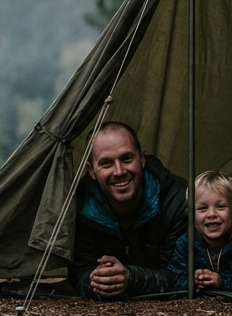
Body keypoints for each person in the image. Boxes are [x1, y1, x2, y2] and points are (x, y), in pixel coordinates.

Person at [69, 121, 188, 299]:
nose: (119, 171)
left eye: (126, 159)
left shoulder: (177, 200)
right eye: (106, 163)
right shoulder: (79, 206)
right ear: (91, 170)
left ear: (142, 159)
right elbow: (80, 270)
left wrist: (131, 278)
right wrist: (95, 281)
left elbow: (178, 275)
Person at [166, 170, 232, 294]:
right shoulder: (186, 243)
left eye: (220, 207)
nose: (212, 214)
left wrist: (221, 281)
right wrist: (193, 280)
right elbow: (172, 279)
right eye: (203, 208)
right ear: (191, 216)